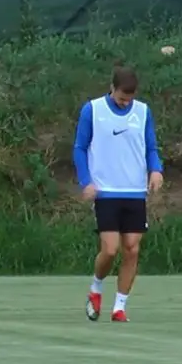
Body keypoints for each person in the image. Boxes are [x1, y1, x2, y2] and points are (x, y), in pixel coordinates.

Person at [72, 66, 164, 323]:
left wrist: (156, 170)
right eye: (122, 97)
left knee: (132, 249)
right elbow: (79, 148)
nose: (125, 102)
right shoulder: (92, 110)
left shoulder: (143, 111)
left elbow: (151, 146)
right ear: (112, 88)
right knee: (110, 249)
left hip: (134, 191)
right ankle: (96, 289)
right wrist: (86, 181)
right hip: (106, 191)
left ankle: (119, 307)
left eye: (129, 98)